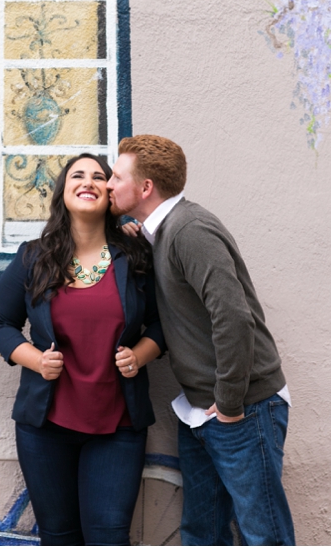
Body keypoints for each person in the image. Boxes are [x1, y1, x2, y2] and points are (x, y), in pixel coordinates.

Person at [107, 135, 295, 546]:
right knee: (202, 533)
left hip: (241, 408)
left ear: (145, 188)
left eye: (117, 177)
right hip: (201, 411)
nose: (108, 184)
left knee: (264, 536)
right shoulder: (164, 233)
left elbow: (232, 317)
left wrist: (228, 405)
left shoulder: (189, 229)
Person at [0, 153, 166, 546]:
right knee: (60, 537)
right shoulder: (33, 257)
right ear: (63, 191)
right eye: (77, 175)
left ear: (109, 193)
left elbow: (160, 325)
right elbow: (1, 326)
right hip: (45, 429)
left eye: (98, 176)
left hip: (117, 426)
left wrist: (140, 355)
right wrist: (36, 360)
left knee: (108, 537)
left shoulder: (136, 257)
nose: (87, 181)